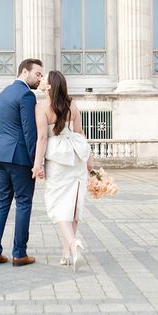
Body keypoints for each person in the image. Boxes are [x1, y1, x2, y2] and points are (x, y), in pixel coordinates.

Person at [32, 70, 94, 271]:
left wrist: (37, 164)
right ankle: (67, 253)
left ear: (49, 86)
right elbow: (80, 133)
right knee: (73, 206)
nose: (41, 83)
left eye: (44, 81)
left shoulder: (41, 107)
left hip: (58, 160)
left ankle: (73, 244)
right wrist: (89, 158)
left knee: (57, 207)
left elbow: (42, 138)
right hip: (76, 157)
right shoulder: (72, 104)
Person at [0, 58, 43, 266]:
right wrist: (35, 161)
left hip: (0, 155)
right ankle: (19, 253)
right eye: (37, 74)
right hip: (19, 158)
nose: (40, 78)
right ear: (24, 72)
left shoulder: (3, 94)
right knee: (23, 203)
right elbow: (30, 131)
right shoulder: (26, 95)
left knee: (1, 202)